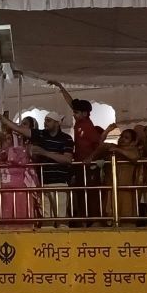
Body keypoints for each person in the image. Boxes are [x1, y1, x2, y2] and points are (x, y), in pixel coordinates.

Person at [0, 110, 74, 227]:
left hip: (59, 182)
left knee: (61, 219)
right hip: (44, 182)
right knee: (47, 221)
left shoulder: (66, 138)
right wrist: (0, 117)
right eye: (45, 120)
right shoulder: (41, 135)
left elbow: (67, 159)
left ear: (57, 123)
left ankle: (63, 244)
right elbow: (18, 128)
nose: (45, 123)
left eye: (49, 120)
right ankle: (48, 243)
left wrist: (44, 153)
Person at [47, 80, 102, 225]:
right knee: (81, 193)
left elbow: (101, 146)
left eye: (76, 113)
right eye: (74, 112)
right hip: (79, 165)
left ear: (85, 113)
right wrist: (60, 86)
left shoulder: (88, 127)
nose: (74, 114)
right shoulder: (79, 122)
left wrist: (91, 158)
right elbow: (71, 102)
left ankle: (93, 221)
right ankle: (84, 220)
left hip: (88, 167)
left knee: (90, 195)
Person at [87, 127, 141, 224]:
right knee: (108, 218)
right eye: (121, 136)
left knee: (126, 220)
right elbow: (101, 146)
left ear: (133, 142)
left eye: (126, 138)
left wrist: (118, 150)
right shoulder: (111, 149)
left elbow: (134, 157)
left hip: (126, 190)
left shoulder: (133, 150)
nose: (122, 139)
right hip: (110, 189)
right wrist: (91, 157)